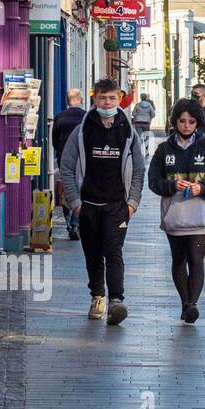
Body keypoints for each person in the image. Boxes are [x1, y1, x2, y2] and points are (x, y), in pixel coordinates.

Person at [58, 78, 145, 326]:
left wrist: (132, 203)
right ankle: (97, 296)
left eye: (112, 98)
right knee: (93, 254)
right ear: (94, 99)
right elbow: (67, 167)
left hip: (118, 205)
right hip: (88, 205)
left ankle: (116, 300)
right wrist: (75, 202)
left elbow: (139, 169)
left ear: (120, 99)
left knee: (113, 252)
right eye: (102, 98)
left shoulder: (127, 132)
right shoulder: (83, 130)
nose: (107, 103)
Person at [147, 98, 205, 324]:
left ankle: (193, 304)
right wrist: (171, 186)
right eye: (182, 121)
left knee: (196, 259)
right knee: (179, 259)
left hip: (200, 216)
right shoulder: (163, 150)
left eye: (191, 122)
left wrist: (202, 187)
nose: (187, 126)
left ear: (197, 124)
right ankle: (184, 301)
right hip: (175, 217)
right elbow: (153, 181)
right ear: (175, 122)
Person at [51, 89, 86, 240]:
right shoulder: (86, 117)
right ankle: (75, 223)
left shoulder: (59, 117)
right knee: (80, 188)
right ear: (81, 100)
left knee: (66, 189)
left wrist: (60, 152)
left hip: (63, 158)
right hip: (82, 159)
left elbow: (54, 140)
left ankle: (68, 223)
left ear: (67, 101)